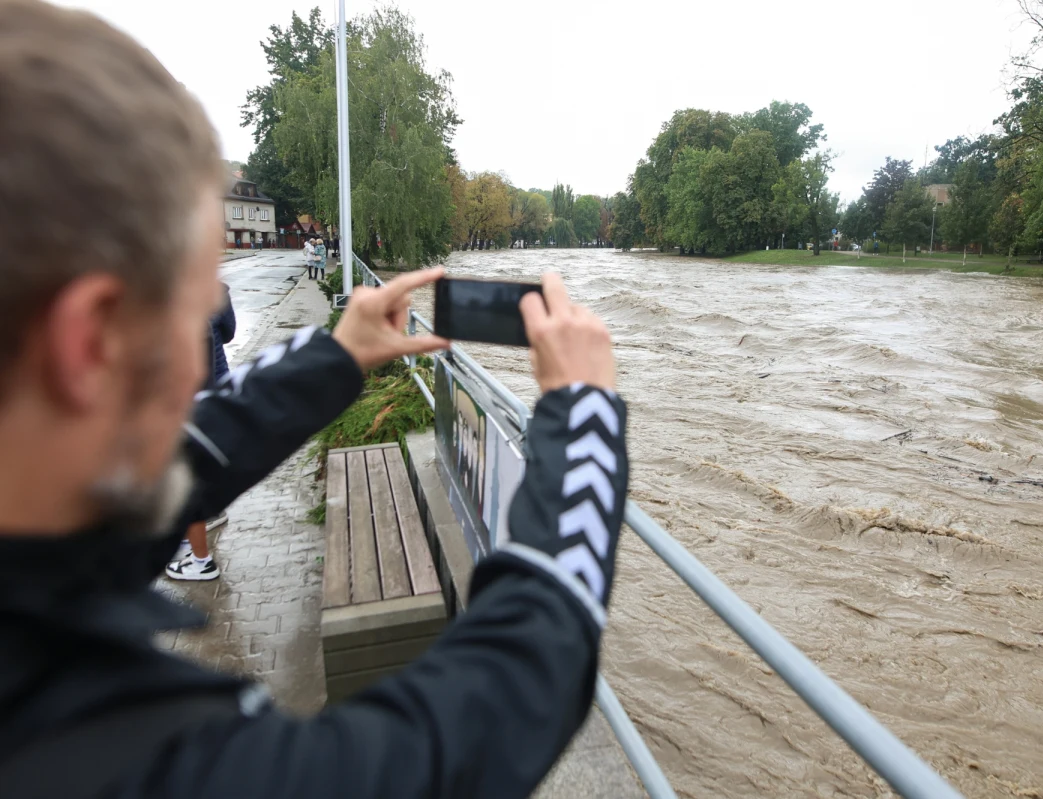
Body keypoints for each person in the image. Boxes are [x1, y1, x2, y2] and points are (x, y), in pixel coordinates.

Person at [0, 4, 628, 798]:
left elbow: (175, 464)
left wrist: (337, 354)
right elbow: (498, 702)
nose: (211, 333)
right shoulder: (169, 766)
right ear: (88, 344)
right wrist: (582, 418)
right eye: (199, 314)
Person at [166, 283, 236, 581]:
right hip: (215, 391)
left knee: (187, 479)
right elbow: (229, 333)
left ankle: (201, 560)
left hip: (189, 402)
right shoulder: (214, 292)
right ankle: (197, 532)